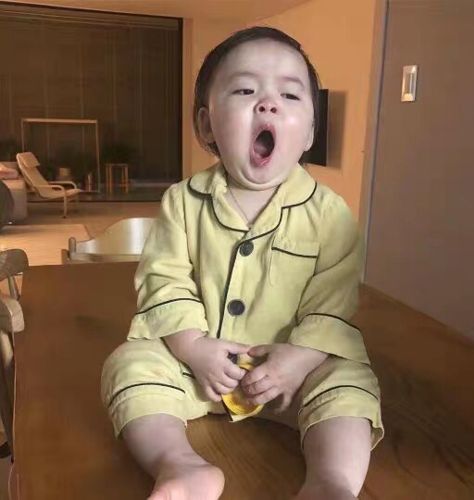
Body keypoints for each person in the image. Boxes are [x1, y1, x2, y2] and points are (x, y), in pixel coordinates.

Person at [101, 26, 384, 500]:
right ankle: (179, 464)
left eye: (290, 95)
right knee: (129, 362)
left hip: (292, 378)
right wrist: (194, 348)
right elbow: (164, 281)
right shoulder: (182, 202)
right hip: (199, 373)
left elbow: (332, 303)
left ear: (309, 132)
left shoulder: (331, 214)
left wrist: (300, 358)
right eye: (246, 90)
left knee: (352, 380)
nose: (268, 104)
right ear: (207, 125)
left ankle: (330, 482)